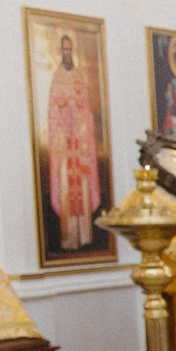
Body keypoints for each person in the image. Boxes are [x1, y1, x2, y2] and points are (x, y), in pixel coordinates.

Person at [44, 32, 102, 252]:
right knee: (67, 189)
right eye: (64, 50)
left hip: (80, 145)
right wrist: (63, 108)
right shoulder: (57, 77)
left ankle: (85, 236)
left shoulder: (78, 76)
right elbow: (52, 110)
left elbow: (86, 109)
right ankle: (69, 236)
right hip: (65, 146)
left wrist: (77, 111)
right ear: (60, 51)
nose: (67, 53)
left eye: (70, 49)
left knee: (83, 189)